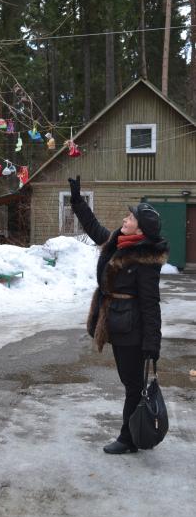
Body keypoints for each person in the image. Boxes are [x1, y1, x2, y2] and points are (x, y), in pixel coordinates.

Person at [68, 176, 169, 454]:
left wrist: (152, 344)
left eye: (130, 217)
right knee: (130, 382)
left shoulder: (145, 258)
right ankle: (133, 435)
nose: (125, 219)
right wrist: (77, 202)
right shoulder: (120, 242)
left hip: (132, 327)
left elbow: (151, 304)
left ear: (142, 227)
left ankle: (129, 438)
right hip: (117, 322)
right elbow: (94, 228)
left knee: (133, 384)